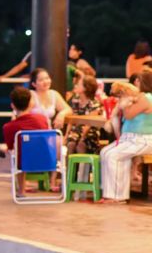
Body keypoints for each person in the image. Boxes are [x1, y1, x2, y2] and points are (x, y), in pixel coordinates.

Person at [101, 71, 152, 203]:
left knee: (113, 155)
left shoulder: (146, 97)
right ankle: (113, 194)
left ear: (143, 83)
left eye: (138, 80)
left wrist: (123, 106)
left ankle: (117, 197)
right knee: (105, 152)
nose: (135, 83)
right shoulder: (140, 97)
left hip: (142, 139)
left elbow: (129, 115)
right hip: (132, 138)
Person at [2, 87, 51, 196]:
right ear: (30, 103)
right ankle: (51, 183)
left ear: (13, 105)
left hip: (23, 163)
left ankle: (21, 191)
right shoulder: (42, 119)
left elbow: (10, 147)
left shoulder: (8, 127)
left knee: (19, 154)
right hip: (46, 160)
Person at [65, 73, 105, 155]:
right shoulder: (75, 100)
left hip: (90, 133)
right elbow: (72, 119)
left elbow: (88, 125)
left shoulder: (94, 104)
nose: (76, 85)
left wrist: (82, 138)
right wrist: (66, 136)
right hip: (75, 132)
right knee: (70, 144)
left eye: (79, 84)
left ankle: (83, 168)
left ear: (86, 88)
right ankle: (69, 167)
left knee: (81, 145)